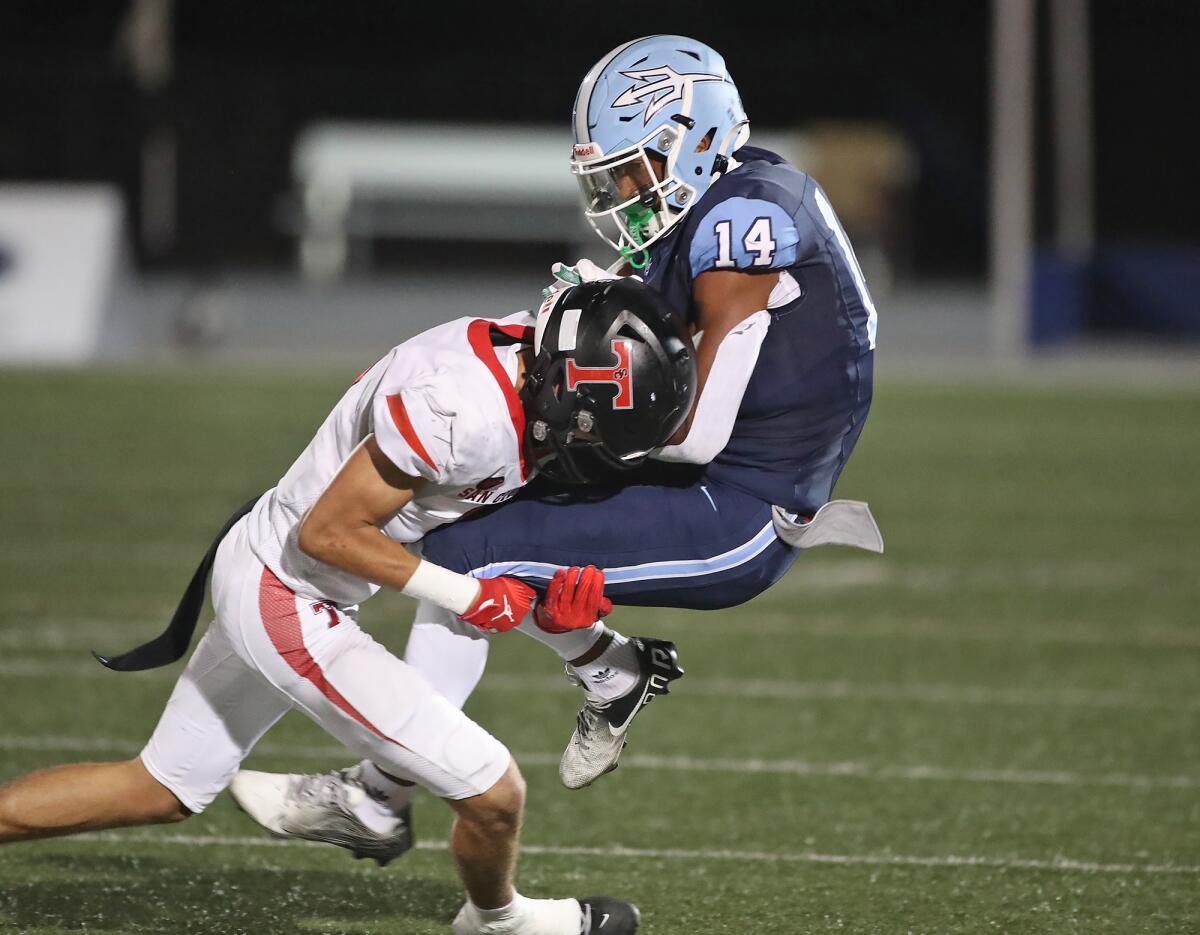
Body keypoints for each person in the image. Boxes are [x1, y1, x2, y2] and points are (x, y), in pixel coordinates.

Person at [233, 33, 882, 864]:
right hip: (712, 472)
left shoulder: (747, 225)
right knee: (473, 530)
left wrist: (565, 411)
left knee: (470, 553)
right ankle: (604, 674)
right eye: (609, 174)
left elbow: (693, 430)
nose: (619, 192)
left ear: (697, 137)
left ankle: (378, 794)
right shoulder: (721, 194)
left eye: (634, 169)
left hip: (745, 508)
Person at [0, 279, 696, 935]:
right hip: (291, 593)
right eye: (583, 427)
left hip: (268, 565)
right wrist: (469, 595)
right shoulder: (465, 412)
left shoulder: (529, 350)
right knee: (493, 790)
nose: (580, 443)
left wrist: (558, 612)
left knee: (159, 787)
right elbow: (328, 533)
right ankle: (499, 919)